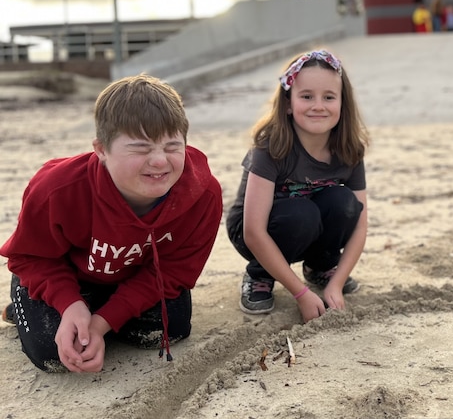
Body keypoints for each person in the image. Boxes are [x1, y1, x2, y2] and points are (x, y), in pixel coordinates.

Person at [0, 75, 223, 373]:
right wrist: (70, 305)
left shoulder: (203, 194)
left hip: (132, 276)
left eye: (172, 146)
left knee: (172, 329)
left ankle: (96, 314)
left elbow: (173, 271)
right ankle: (31, 305)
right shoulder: (56, 190)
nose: (159, 161)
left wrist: (101, 324)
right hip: (67, 274)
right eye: (141, 148)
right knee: (52, 354)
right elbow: (29, 257)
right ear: (102, 149)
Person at [226, 49, 369, 323]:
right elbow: (253, 231)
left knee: (345, 203)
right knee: (301, 214)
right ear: (289, 103)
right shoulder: (271, 147)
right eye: (306, 96)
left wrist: (336, 283)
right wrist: (301, 294)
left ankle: (321, 265)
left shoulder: (349, 149)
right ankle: (260, 274)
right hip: (256, 230)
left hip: (308, 225)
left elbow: (360, 225)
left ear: (342, 103)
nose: (318, 105)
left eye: (329, 97)